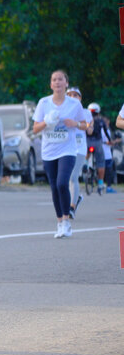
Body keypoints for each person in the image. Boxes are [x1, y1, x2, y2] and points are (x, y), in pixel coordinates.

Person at [32, 70, 86, 239]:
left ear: (66, 83)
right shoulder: (44, 103)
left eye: (60, 79)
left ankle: (67, 221)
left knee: (63, 183)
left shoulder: (74, 104)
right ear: (51, 84)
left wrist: (75, 123)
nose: (57, 82)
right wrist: (46, 122)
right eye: (54, 80)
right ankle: (60, 222)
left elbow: (85, 125)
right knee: (54, 187)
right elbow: (35, 129)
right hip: (49, 151)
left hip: (67, 150)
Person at [65, 87, 91, 218]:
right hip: (65, 149)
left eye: (76, 95)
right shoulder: (63, 111)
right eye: (70, 95)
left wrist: (86, 125)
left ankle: (71, 208)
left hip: (79, 149)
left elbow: (89, 129)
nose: (73, 97)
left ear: (80, 98)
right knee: (65, 179)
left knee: (73, 177)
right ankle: (76, 198)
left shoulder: (86, 112)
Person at [85, 102, 109, 195]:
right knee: (101, 162)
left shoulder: (86, 120)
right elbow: (105, 131)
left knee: (86, 155)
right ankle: (100, 184)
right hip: (97, 142)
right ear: (98, 111)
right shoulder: (101, 120)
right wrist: (110, 140)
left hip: (87, 141)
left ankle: (85, 166)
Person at [101, 117, 119, 193]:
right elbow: (108, 142)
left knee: (101, 170)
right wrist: (116, 141)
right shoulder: (106, 130)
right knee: (109, 171)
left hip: (100, 153)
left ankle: (100, 185)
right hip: (106, 154)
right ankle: (108, 187)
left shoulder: (99, 130)